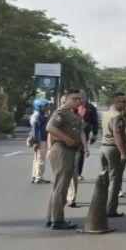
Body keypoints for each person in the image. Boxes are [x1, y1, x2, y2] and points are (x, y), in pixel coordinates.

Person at [45, 92, 85, 230]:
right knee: (61, 187)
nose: (78, 101)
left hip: (69, 151)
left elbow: (80, 130)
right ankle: (57, 220)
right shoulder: (62, 112)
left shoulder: (74, 113)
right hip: (62, 149)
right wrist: (67, 139)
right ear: (67, 99)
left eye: (79, 99)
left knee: (59, 186)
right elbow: (50, 128)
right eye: (74, 99)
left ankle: (51, 218)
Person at [99, 92, 126, 217]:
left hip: (104, 148)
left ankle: (102, 206)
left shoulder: (106, 113)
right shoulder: (117, 116)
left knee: (105, 179)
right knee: (115, 180)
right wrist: (123, 153)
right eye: (123, 101)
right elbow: (117, 135)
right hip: (113, 149)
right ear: (116, 102)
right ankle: (111, 210)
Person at [28, 99, 51, 184]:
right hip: (40, 140)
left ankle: (35, 176)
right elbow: (35, 129)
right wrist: (36, 141)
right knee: (41, 159)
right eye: (44, 107)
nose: (46, 108)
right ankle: (39, 177)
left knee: (37, 159)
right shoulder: (38, 116)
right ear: (38, 107)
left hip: (39, 139)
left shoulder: (39, 115)